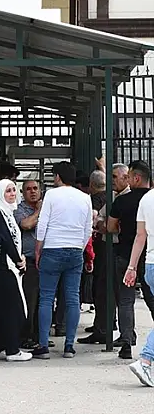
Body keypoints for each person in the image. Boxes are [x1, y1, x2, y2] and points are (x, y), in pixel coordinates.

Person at [33, 162, 92, 359]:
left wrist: (38, 249)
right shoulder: (85, 198)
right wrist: (79, 248)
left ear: (58, 177)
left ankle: (43, 345)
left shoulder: (51, 195)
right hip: (75, 250)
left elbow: (43, 223)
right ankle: (69, 346)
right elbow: (88, 229)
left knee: (46, 298)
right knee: (73, 298)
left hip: (52, 248)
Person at [107, 161, 154, 359]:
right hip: (149, 256)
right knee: (151, 299)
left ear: (136, 178)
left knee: (125, 300)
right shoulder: (150, 199)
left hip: (126, 256)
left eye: (129, 176)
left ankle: (126, 342)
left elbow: (110, 227)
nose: (126, 180)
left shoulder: (122, 201)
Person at [0, 179, 32, 362]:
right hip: (2, 268)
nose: (12, 194)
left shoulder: (7, 212)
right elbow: (5, 240)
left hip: (6, 267)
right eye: (8, 191)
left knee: (1, 309)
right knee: (12, 309)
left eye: (13, 190)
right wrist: (18, 259)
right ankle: (12, 350)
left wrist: (20, 257)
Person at [82, 163, 129, 341]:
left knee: (118, 293)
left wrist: (107, 225)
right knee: (102, 289)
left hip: (118, 248)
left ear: (126, 177)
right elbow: (100, 221)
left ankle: (120, 333)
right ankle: (103, 328)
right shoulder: (112, 196)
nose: (111, 181)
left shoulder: (127, 198)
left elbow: (115, 227)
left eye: (114, 177)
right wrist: (106, 225)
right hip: (107, 247)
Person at [124, 185, 154, 386]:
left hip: (150, 264)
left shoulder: (146, 199)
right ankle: (146, 359)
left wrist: (132, 266)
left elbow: (140, 236)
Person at [14, 180, 45, 350]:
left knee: (44, 301)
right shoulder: (19, 210)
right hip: (29, 261)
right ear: (23, 192)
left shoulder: (48, 208)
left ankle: (40, 336)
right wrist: (39, 211)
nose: (32, 192)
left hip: (46, 261)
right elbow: (26, 224)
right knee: (30, 301)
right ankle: (26, 336)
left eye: (35, 188)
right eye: (28, 189)